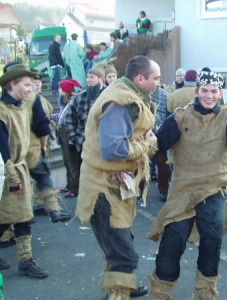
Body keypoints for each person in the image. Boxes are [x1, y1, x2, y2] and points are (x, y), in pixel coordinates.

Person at [147, 70, 227, 299]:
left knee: (212, 241)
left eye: (214, 91)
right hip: (183, 190)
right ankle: (160, 293)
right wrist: (148, 140)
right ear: (196, 91)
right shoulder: (181, 116)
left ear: (220, 93)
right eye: (205, 91)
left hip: (213, 189)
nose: (209, 96)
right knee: (172, 242)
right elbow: (159, 144)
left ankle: (204, 294)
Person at [75, 55, 161, 299]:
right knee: (123, 255)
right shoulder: (121, 100)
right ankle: (119, 292)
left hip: (116, 185)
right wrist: (147, 146)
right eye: (155, 78)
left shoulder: (127, 93)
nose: (158, 83)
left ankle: (119, 287)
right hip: (104, 189)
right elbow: (114, 150)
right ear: (140, 78)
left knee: (120, 245)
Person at [0, 64, 48, 278]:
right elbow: (2, 146)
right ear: (12, 84)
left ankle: (26, 259)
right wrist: (11, 175)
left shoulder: (20, 107)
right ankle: (26, 261)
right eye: (26, 85)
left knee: (21, 216)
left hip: (18, 168)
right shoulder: (2, 110)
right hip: (6, 171)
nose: (30, 89)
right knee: (8, 216)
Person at [24, 68, 73, 222]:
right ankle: (48, 210)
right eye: (34, 83)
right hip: (34, 144)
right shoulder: (32, 100)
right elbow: (41, 124)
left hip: (33, 143)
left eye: (39, 83)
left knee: (39, 177)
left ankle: (40, 205)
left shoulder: (37, 99)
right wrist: (44, 143)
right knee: (40, 176)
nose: (37, 85)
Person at [65, 61, 107, 197]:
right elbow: (69, 119)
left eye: (92, 77)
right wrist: (76, 139)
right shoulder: (79, 98)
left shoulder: (109, 96)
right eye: (88, 77)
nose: (89, 80)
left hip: (105, 144)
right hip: (84, 144)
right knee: (87, 176)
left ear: (101, 79)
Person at [56, 79, 83, 199]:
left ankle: (74, 188)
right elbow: (60, 116)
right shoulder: (63, 102)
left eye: (61, 89)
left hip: (69, 133)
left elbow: (72, 119)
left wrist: (72, 140)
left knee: (73, 163)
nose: (59, 91)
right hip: (62, 132)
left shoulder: (73, 101)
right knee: (66, 162)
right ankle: (69, 184)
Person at [151, 80, 170, 202]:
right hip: (143, 133)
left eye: (157, 79)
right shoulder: (141, 93)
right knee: (140, 163)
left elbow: (169, 115)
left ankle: (164, 190)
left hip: (160, 134)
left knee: (162, 164)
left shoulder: (166, 95)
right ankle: (138, 191)